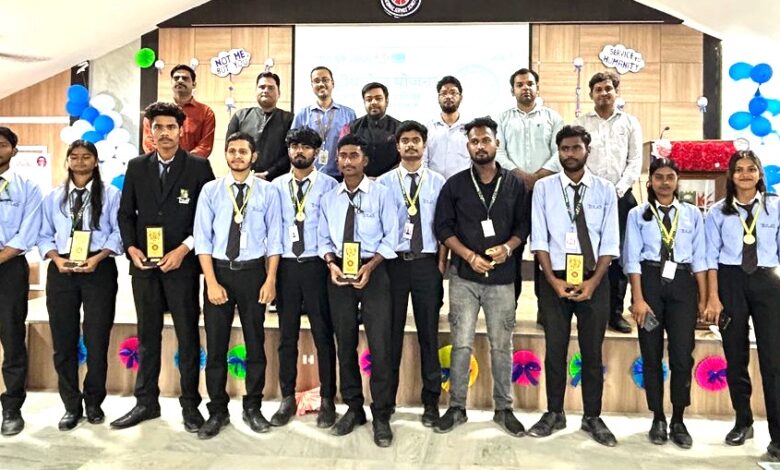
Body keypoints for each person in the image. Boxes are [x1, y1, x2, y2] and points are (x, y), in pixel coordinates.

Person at [113, 102, 215, 432]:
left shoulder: (198, 167)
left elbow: (207, 218)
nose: (165, 133)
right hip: (144, 267)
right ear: (150, 131)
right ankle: (146, 402)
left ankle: (190, 406)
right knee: (147, 336)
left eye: (171, 127)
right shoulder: (136, 166)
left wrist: (184, 249)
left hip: (181, 267)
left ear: (181, 131)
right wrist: (131, 248)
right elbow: (125, 214)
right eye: (158, 127)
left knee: (187, 336)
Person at [433, 116, 529, 437]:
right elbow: (443, 228)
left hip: (502, 279)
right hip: (464, 277)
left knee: (502, 345)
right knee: (461, 344)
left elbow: (524, 225)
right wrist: (469, 256)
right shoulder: (455, 185)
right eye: (474, 141)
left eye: (485, 140)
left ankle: (504, 409)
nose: (480, 146)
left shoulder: (514, 184)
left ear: (497, 143)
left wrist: (509, 247)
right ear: (468, 147)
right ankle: (457, 407)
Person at [528, 125, 619, 447]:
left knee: (592, 351)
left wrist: (593, 282)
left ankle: (592, 416)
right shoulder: (544, 188)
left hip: (594, 277)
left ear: (587, 150)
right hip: (555, 277)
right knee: (555, 349)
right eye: (564, 149)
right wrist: (552, 280)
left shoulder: (605, 189)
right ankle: (554, 412)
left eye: (576, 148)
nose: (570, 154)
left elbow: (610, 241)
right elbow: (539, 238)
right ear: (558, 152)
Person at [193, 132, 282, 439]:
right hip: (218, 272)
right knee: (216, 346)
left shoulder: (268, 191)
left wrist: (270, 279)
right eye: (232, 151)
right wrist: (211, 282)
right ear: (226, 155)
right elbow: (202, 239)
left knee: (255, 344)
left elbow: (275, 239)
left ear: (253, 156)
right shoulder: (211, 190)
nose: (237, 156)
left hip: (253, 274)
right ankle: (217, 410)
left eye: (243, 151)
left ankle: (253, 407)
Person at [317, 134, 398, 447]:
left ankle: (381, 412)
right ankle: (353, 407)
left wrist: (371, 266)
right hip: (339, 273)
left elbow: (391, 237)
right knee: (345, 342)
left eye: (354, 156)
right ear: (337, 160)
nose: (348, 161)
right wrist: (331, 264)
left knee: (380, 345)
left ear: (365, 160)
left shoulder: (382, 194)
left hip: (374, 272)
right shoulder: (330, 198)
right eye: (343, 156)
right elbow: (323, 238)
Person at [37, 140, 122, 431]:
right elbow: (44, 234)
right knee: (64, 340)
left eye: (86, 157)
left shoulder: (111, 194)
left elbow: (118, 233)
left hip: (98, 268)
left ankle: (94, 402)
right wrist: (56, 259)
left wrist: (98, 258)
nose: (80, 161)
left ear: (95, 161)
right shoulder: (53, 197)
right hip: (62, 269)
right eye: (74, 157)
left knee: (97, 339)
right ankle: (71, 405)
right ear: (68, 161)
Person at [623, 158, 706, 448]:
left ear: (677, 180)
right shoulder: (637, 214)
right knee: (651, 352)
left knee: (683, 354)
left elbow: (700, 258)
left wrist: (703, 298)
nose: (665, 182)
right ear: (651, 181)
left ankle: (679, 418)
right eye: (659, 177)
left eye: (670, 177)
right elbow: (631, 258)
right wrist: (638, 298)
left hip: (683, 285)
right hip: (649, 284)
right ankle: (657, 416)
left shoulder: (692, 214)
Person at [704, 151, 780, 461]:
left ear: (760, 173)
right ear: (731, 176)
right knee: (735, 357)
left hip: (768, 281)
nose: (745, 174)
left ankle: (778, 437)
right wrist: (713, 297)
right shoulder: (717, 212)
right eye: (739, 170)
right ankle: (743, 421)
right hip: (730, 281)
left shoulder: (775, 206)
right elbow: (710, 258)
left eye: (751, 169)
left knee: (773, 362)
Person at [378, 120, 446, 426]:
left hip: (426, 264)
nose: (410, 145)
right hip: (393, 264)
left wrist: (441, 263)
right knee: (389, 334)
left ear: (424, 145)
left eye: (416, 140)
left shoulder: (438, 182)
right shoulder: (383, 183)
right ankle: (386, 402)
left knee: (428, 334)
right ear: (397, 146)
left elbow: (444, 228)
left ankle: (431, 403)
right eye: (404, 140)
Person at [269, 127, 338, 428]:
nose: (300, 151)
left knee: (323, 335)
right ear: (288, 151)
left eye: (307, 147)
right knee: (287, 337)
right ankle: (287, 397)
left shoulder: (330, 185)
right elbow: (271, 229)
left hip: (317, 266)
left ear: (317, 152)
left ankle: (328, 400)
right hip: (286, 266)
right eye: (295, 146)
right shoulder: (275, 186)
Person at [575, 71, 642, 334]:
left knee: (618, 255)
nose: (604, 93)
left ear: (616, 92)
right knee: (587, 251)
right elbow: (576, 159)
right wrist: (596, 190)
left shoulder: (630, 123)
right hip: (588, 197)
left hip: (621, 198)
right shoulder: (581, 123)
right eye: (598, 90)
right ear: (591, 94)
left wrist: (618, 190)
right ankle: (586, 307)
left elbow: (635, 161)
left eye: (608, 89)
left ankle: (615, 312)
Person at [496, 67, 564, 311]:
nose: (525, 88)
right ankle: (509, 308)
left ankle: (546, 310)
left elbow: (560, 152)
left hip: (546, 191)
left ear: (537, 87)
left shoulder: (553, 118)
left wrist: (538, 177)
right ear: (512, 90)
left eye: (529, 84)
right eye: (520, 84)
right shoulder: (502, 119)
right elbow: (499, 152)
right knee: (512, 249)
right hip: (511, 192)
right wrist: (521, 176)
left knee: (545, 247)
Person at [0, 126, 42, 436]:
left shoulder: (28, 187)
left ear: (14, 151)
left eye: (2, 145)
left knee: (12, 338)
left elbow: (27, 233)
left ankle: (12, 408)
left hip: (10, 268)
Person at [291, 66, 356, 180]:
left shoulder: (348, 114)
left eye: (325, 80)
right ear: (312, 85)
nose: (321, 84)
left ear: (333, 83)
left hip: (340, 176)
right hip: (309, 175)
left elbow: (355, 146)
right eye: (316, 81)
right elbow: (293, 146)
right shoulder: (302, 115)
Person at [227, 72, 294, 180]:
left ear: (279, 93)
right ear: (256, 91)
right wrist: (245, 172)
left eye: (271, 88)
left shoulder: (289, 119)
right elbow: (230, 149)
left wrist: (268, 174)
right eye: (262, 87)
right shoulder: (240, 116)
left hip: (277, 181)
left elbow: (291, 152)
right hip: (243, 179)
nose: (265, 90)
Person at [142, 64, 216, 158]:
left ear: (194, 84)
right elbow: (148, 142)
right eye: (176, 78)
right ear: (171, 83)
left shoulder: (206, 112)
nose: (180, 80)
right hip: (158, 165)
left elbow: (205, 146)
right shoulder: (154, 111)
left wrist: (184, 161)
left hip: (192, 165)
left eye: (185, 78)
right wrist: (165, 160)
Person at [346, 82, 401, 178]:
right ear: (364, 102)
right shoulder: (352, 127)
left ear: (387, 101)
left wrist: (383, 179)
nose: (373, 102)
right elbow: (345, 156)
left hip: (391, 181)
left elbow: (404, 159)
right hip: (360, 181)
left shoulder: (399, 127)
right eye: (369, 99)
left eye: (378, 98)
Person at [423, 76, 470, 180]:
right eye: (444, 93)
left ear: (461, 97)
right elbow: (423, 161)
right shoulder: (428, 128)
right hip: (434, 185)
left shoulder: (470, 128)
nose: (448, 96)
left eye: (453, 93)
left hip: (463, 184)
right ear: (438, 98)